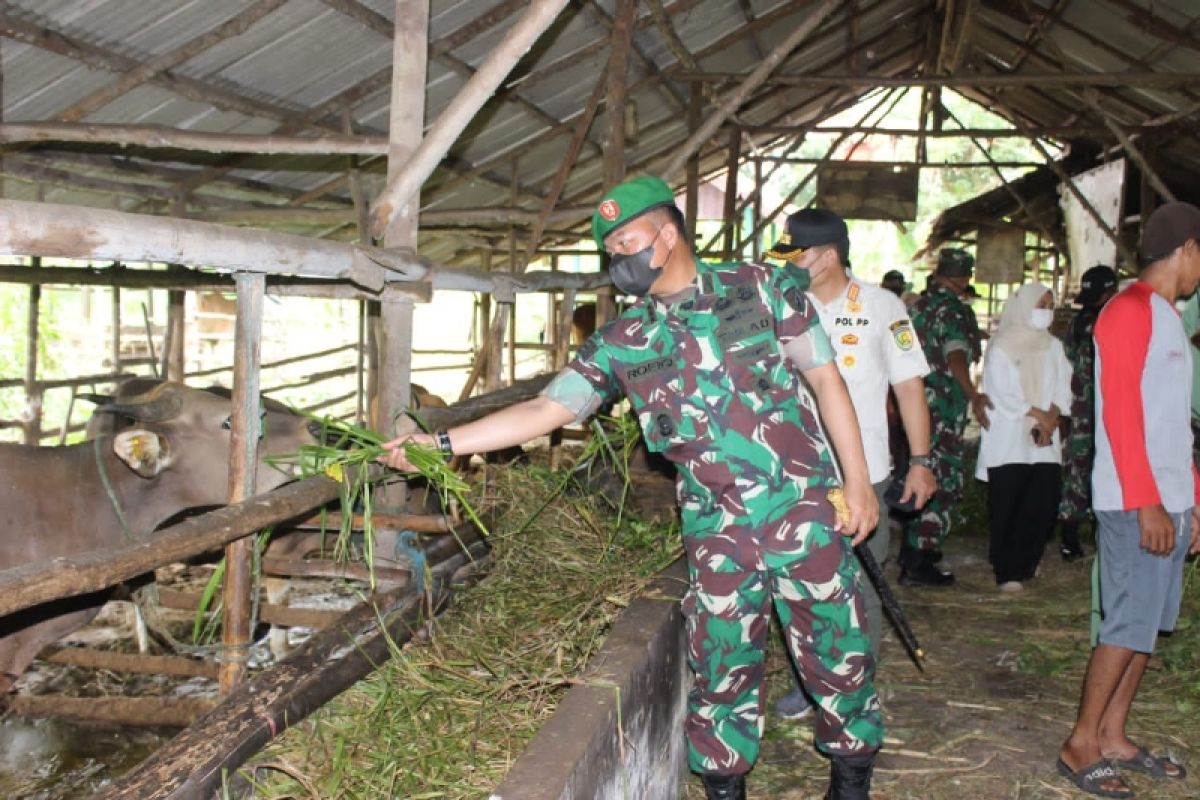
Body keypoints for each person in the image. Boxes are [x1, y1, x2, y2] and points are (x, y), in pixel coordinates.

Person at [381, 175, 883, 800]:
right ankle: (725, 786)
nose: (618, 257)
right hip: (716, 528)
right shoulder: (624, 342)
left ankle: (851, 776)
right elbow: (545, 411)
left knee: (837, 652)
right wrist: (444, 443)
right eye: (610, 248)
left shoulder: (760, 288)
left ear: (667, 235)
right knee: (722, 666)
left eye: (626, 240)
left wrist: (858, 485)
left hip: (804, 509)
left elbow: (827, 382)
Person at [763, 208, 936, 720]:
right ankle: (808, 683)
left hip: (866, 476)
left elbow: (909, 389)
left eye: (799, 256)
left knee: (862, 584)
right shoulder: (779, 306)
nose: (790, 266)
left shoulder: (883, 308)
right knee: (799, 584)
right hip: (795, 476)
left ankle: (858, 681)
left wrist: (921, 461)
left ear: (829, 255)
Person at [1057, 201, 1200, 799]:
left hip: (1168, 498)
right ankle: (1080, 743)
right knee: (1125, 624)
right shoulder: (1127, 311)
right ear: (1187, 250)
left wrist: (1192, 500)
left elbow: (1173, 423)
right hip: (1133, 500)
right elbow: (1119, 411)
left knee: (1145, 628)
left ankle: (1114, 735)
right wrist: (1146, 501)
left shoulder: (1169, 316)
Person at [902, 248, 991, 586]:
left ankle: (913, 549)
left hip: (916, 402)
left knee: (918, 469)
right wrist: (973, 394)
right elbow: (955, 357)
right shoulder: (954, 310)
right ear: (964, 277)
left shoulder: (919, 306)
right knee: (940, 479)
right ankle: (920, 560)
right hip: (943, 406)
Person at [975, 282, 1071, 592]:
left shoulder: (1053, 346)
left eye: (1049, 305)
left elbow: (1063, 384)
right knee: (1010, 503)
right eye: (1039, 304)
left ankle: (1028, 563)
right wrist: (1038, 414)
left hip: (1045, 437)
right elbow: (1000, 391)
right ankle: (1007, 571)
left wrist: (1051, 417)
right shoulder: (1001, 345)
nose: (1045, 311)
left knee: (1042, 502)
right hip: (1010, 436)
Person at [1056, 265, 1118, 562]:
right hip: (1100, 410)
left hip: (1083, 409)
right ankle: (1081, 536)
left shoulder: (1078, 323)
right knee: (1093, 470)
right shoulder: (1109, 321)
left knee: (1078, 470)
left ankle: (1071, 538)